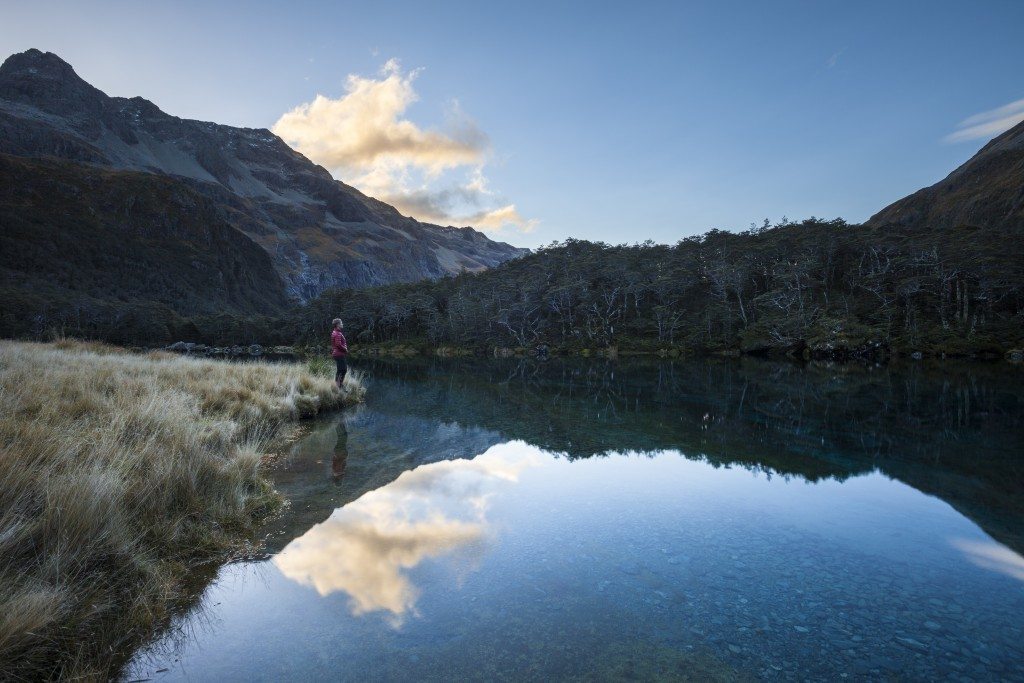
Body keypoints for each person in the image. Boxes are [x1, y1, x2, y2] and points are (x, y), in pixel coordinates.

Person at [330, 318, 348, 388]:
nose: (342, 324)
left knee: (341, 370)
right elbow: (338, 344)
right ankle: (339, 385)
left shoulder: (336, 332)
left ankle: (339, 385)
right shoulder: (337, 333)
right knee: (343, 370)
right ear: (337, 325)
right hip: (339, 354)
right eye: (341, 323)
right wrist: (345, 349)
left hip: (338, 354)